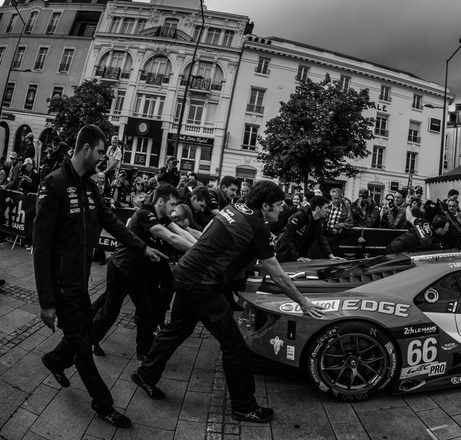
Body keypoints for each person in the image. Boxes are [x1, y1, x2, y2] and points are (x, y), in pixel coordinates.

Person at [131, 181, 325, 424]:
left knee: (178, 328)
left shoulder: (234, 208)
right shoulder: (257, 225)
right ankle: (244, 406)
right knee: (234, 345)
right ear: (265, 206)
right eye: (277, 206)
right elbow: (277, 273)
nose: (280, 211)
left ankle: (146, 374)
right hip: (200, 284)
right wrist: (304, 303)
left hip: (185, 273)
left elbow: (220, 241)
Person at [33, 124, 166, 429]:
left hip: (79, 281)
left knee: (88, 333)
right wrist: (46, 301)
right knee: (82, 347)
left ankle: (54, 360)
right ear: (85, 149)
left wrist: (142, 247)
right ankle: (103, 404)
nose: (104, 158)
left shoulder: (89, 185)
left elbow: (110, 221)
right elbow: (41, 247)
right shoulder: (53, 184)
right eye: (101, 152)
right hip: (60, 285)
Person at [92, 184, 196, 359]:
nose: (173, 209)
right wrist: (199, 252)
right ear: (160, 201)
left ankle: (143, 351)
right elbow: (171, 237)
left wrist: (199, 246)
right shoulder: (144, 213)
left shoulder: (163, 217)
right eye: (172, 204)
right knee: (110, 311)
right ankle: (91, 339)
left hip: (138, 272)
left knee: (146, 311)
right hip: (121, 269)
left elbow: (180, 232)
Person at [276, 196, 338, 263]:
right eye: (326, 208)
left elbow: (321, 239)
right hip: (285, 256)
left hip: (300, 256)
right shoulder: (299, 216)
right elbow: (287, 237)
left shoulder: (317, 222)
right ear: (317, 208)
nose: (328, 210)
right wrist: (296, 256)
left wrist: (331, 256)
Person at [386, 215, 453, 254]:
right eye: (446, 228)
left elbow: (409, 217)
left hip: (391, 245)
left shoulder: (423, 223)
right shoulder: (429, 241)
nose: (448, 229)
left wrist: (408, 203)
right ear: (440, 230)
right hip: (397, 254)